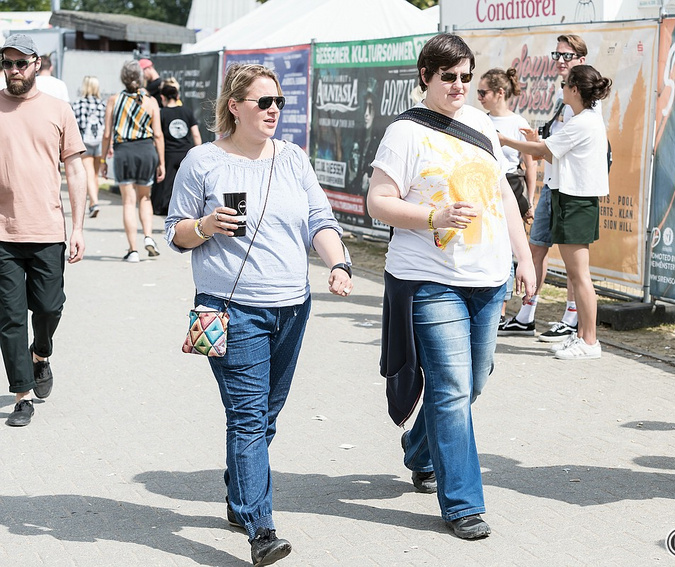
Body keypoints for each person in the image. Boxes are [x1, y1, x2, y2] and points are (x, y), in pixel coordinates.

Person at [165, 63, 353, 566]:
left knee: (265, 417)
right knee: (248, 417)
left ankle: (238, 493)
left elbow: (319, 219)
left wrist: (337, 262)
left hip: (292, 305)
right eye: (263, 103)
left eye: (279, 103)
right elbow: (175, 232)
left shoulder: (292, 158)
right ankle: (261, 528)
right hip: (229, 309)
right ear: (234, 106)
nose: (274, 111)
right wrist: (205, 225)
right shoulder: (203, 162)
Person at [367, 33, 535, 540]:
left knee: (472, 382)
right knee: (453, 387)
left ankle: (421, 449)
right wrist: (432, 214)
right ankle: (462, 503)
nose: (459, 86)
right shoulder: (405, 132)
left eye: (466, 77)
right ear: (426, 77)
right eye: (449, 77)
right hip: (430, 278)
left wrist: (523, 257)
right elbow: (378, 201)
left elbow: (503, 193)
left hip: (488, 277)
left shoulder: (481, 122)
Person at [0, 34, 86, 427]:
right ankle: (22, 396)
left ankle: (41, 353)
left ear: (37, 64)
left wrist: (80, 225)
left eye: (21, 63)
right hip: (3, 233)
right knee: (11, 316)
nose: (14, 71)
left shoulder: (58, 109)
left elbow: (75, 169)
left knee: (50, 306)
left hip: (48, 228)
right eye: (7, 63)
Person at [500, 65, 611, 360]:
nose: (561, 88)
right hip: (570, 199)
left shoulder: (583, 122)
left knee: (580, 276)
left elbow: (542, 151)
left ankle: (589, 341)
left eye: (565, 84)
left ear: (575, 89)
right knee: (576, 276)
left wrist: (504, 139)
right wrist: (531, 140)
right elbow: (547, 150)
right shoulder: (581, 120)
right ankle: (582, 337)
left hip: (576, 201)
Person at [499, 34, 587, 343]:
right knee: (536, 248)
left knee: (574, 259)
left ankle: (572, 317)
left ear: (581, 59)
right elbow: (550, 144)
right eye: (557, 54)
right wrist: (536, 140)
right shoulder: (564, 98)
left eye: (568, 55)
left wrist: (514, 141)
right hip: (554, 184)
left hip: (571, 190)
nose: (561, 61)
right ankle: (526, 314)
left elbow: (558, 146)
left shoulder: (583, 98)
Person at [477, 67, 538, 324]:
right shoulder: (479, 120)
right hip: (482, 187)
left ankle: (501, 308)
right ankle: (489, 302)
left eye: (483, 92)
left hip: (511, 187)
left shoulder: (517, 123)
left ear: (500, 93)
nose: (478, 97)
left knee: (508, 248)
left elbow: (531, 162)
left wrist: (530, 200)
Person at [101, 60, 165, 262]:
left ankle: (133, 250)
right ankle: (148, 236)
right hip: (147, 151)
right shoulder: (150, 101)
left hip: (124, 151)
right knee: (145, 198)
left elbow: (106, 134)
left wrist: (103, 159)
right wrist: (161, 162)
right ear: (140, 77)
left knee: (128, 202)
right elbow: (158, 135)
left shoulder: (114, 100)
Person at [152, 78, 201, 215]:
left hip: (168, 153)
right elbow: (196, 134)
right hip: (185, 152)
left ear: (162, 97)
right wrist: (201, 153)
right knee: (185, 183)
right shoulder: (187, 111)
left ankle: (166, 209)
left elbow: (158, 136)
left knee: (166, 184)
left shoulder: (161, 114)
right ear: (177, 96)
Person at [71, 75, 107, 218]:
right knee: (95, 175)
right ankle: (93, 203)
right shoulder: (102, 104)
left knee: (88, 175)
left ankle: (94, 202)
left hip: (84, 142)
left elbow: (75, 126)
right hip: (99, 142)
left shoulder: (78, 104)